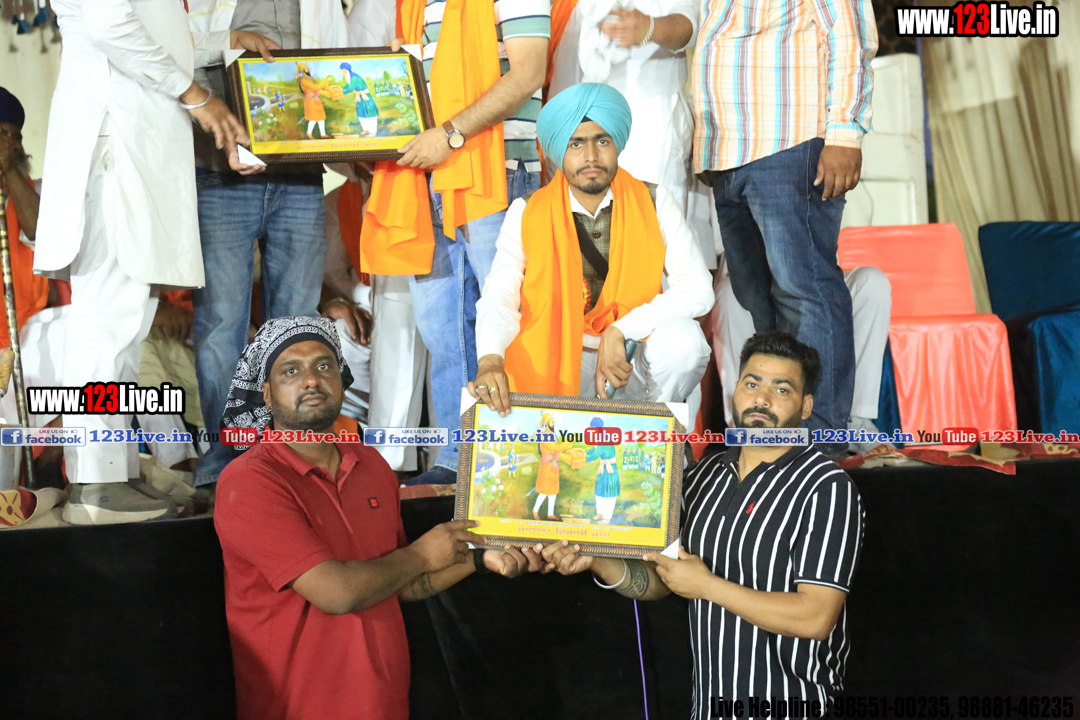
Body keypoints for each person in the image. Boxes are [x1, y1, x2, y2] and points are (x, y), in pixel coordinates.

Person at [213, 317, 542, 720]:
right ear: (266, 393)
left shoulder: (371, 465)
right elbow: (338, 593)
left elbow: (401, 584)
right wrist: (423, 554)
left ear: (341, 377)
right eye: (291, 371)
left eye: (323, 365)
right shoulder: (249, 482)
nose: (311, 380)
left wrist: (478, 557)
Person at [542, 331, 865, 715]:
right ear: (736, 390)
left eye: (782, 389)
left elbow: (815, 617)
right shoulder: (704, 476)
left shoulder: (826, 487)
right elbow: (664, 580)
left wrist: (707, 586)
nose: (762, 398)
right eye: (752, 383)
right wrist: (595, 560)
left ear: (806, 405)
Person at [34, 0, 249, 524]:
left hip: (128, 140)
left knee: (126, 323)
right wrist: (197, 96)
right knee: (107, 321)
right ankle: (96, 483)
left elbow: (154, 29)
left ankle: (116, 471)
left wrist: (224, 41)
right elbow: (111, 26)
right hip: (116, 141)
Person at [361, 0, 550, 483]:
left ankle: (521, 467)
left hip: (496, 170)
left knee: (508, 319)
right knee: (441, 328)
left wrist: (449, 135)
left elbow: (529, 72)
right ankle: (456, 460)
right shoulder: (417, 5)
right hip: (425, 176)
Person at [694, 0, 878, 455]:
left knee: (805, 290)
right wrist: (706, 147)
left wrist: (845, 133)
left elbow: (849, 34)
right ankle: (783, 435)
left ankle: (821, 443)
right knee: (758, 301)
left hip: (788, 138)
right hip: (728, 149)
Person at [470, 83, 713, 416]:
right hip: (557, 355)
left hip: (633, 355)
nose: (591, 157)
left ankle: (651, 431)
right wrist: (489, 359)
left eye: (602, 141)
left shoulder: (653, 200)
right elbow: (500, 292)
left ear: (617, 144)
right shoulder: (527, 211)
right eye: (576, 144)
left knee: (685, 341)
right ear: (559, 150)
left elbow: (698, 287)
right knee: (501, 374)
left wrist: (621, 329)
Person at [186, 0, 349, 489]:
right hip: (218, 169)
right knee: (221, 325)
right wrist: (229, 40)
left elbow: (341, 63)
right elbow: (168, 53)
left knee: (297, 325)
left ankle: (295, 457)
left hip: (301, 173)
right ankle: (228, 462)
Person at [546, 0, 718, 267]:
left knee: (648, 250)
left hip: (646, 131)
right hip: (571, 130)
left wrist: (650, 28)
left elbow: (693, 25)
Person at [713, 256, 892, 453]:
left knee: (871, 282)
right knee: (729, 291)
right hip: (755, 282)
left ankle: (854, 422)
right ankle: (746, 427)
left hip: (812, 280)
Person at [339, 63, 379, 136]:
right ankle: (366, 130)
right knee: (361, 114)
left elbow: (350, 89)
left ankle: (373, 132)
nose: (343, 72)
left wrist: (340, 93)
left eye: (344, 70)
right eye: (342, 70)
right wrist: (339, 88)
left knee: (369, 114)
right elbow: (347, 85)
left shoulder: (354, 78)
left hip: (365, 97)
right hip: (360, 98)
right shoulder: (350, 77)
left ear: (348, 70)